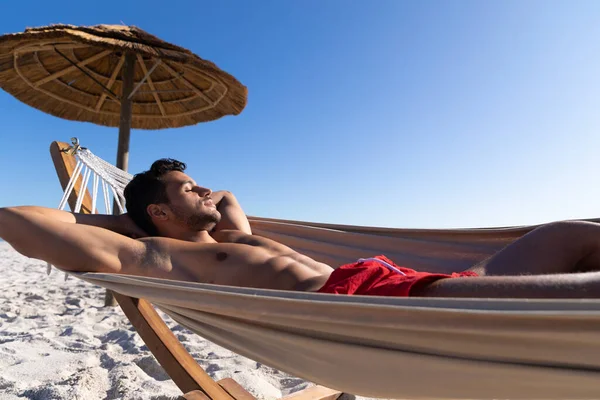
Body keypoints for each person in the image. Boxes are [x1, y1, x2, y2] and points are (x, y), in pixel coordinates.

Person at [1, 158, 600, 299]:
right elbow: (18, 220)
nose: (207, 192)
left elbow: (228, 197)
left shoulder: (231, 238)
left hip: (403, 279)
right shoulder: (157, 253)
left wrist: (183, 190)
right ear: (157, 215)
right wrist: (129, 218)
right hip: (376, 304)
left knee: (572, 233)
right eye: (190, 190)